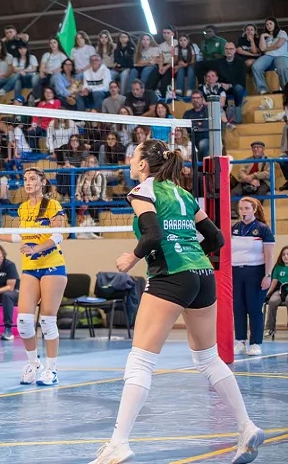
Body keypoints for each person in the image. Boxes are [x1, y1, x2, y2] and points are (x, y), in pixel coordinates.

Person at [90, 139, 264, 464]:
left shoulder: (143, 191)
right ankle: (246, 426)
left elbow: (153, 235)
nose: (130, 159)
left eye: (134, 154)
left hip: (171, 275)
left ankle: (119, 443)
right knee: (208, 359)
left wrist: (132, 257)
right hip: (201, 273)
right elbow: (216, 239)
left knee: (140, 361)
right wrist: (186, 246)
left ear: (143, 164)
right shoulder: (182, 193)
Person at [0, 168, 68, 386]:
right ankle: (34, 364)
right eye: (25, 179)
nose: (28, 183)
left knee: (47, 320)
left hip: (52, 266)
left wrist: (36, 249)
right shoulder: (23, 208)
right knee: (24, 321)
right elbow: (20, 236)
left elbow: (58, 235)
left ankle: (52, 370)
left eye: (33, 179)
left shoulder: (52, 205)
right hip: (30, 268)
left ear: (42, 182)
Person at [231, 197, 274, 356]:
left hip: (256, 273)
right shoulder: (234, 228)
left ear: (254, 210)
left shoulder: (263, 229)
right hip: (236, 273)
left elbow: (269, 255)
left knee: (254, 308)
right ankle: (240, 341)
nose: (243, 212)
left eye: (247, 208)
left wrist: (267, 275)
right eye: (241, 208)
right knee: (238, 307)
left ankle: (256, 343)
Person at [265, 246, 288, 339]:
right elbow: (274, 282)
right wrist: (267, 294)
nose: (286, 256)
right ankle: (270, 329)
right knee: (273, 301)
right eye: (284, 254)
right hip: (279, 290)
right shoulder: (278, 267)